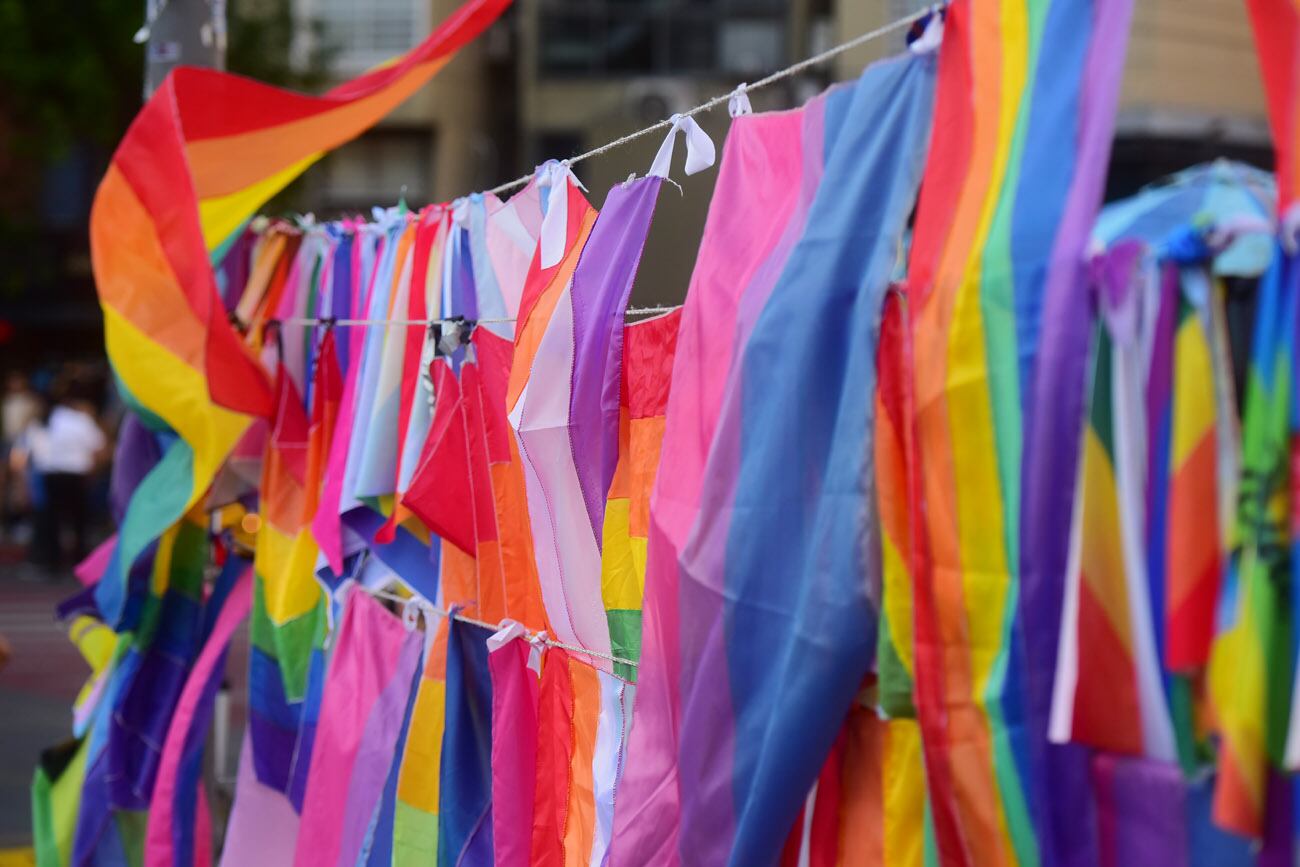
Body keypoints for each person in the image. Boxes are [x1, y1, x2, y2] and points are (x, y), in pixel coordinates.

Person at [25, 385, 107, 575]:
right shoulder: (79, 420)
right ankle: (79, 559)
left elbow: (33, 454)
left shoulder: (41, 423)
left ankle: (52, 561)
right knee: (79, 520)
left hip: (52, 475)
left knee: (52, 519)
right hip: (76, 475)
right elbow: (99, 447)